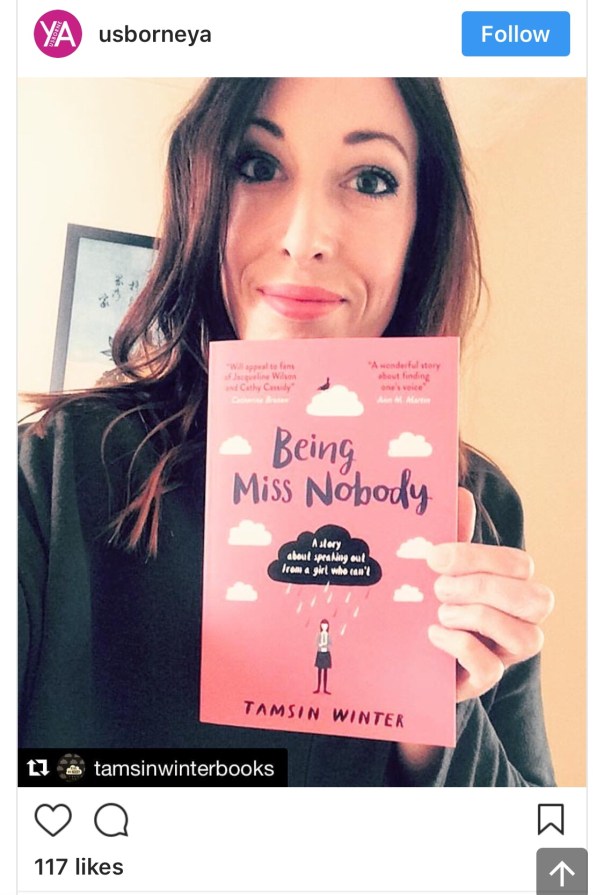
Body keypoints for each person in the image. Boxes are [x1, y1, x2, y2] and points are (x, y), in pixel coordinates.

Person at [19, 77, 555, 786]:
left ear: (420, 228)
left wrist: (436, 721)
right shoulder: (54, 471)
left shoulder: (478, 506)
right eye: (258, 165)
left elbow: (538, 843)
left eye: (371, 179)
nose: (305, 240)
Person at [314, 620, 332, 695]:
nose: (324, 627)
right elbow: (316, 643)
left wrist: (325, 645)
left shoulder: (328, 635)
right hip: (320, 653)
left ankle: (325, 688)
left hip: (326, 654)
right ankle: (318, 687)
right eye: (323, 625)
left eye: (326, 626)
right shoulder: (319, 635)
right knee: (319, 671)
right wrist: (320, 645)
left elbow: (330, 644)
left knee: (325, 672)